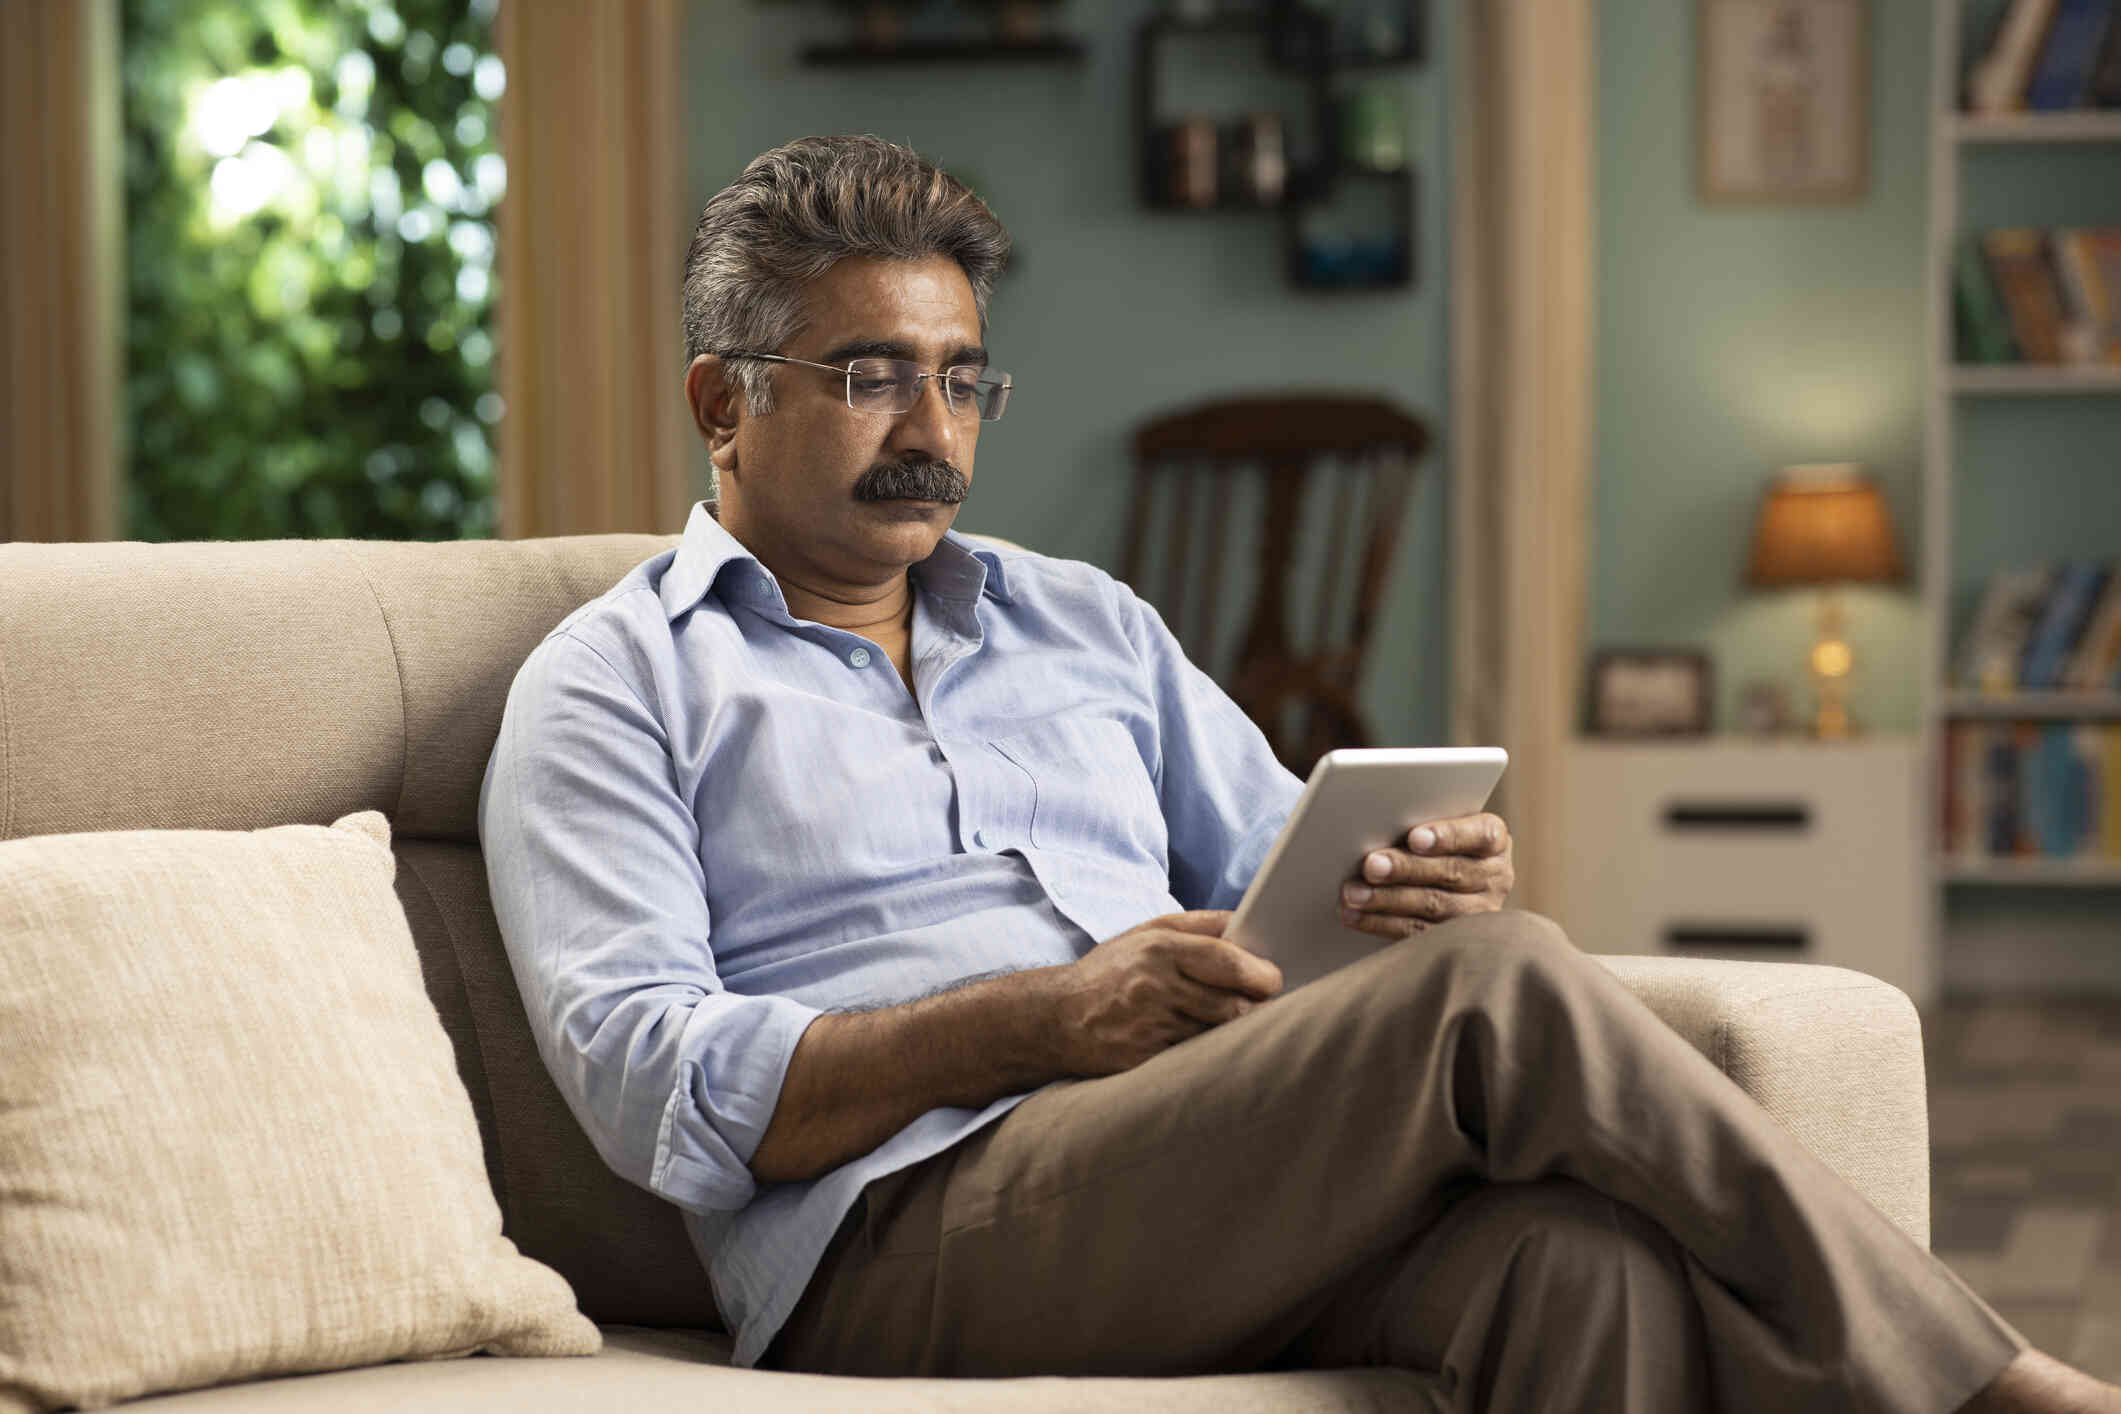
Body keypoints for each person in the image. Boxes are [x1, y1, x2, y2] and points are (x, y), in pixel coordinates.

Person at [478, 135, 2118, 1412]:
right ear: (721, 400)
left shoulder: (1085, 623)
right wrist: (1030, 1022)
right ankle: (1971, 1382)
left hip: (1199, 1154)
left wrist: (1416, 889)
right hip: (898, 1240)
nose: (935, 424)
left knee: (1574, 1264)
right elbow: (648, 1080)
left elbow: (1290, 867)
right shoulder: (615, 685)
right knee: (1493, 988)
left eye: (961, 373)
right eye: (869, 374)